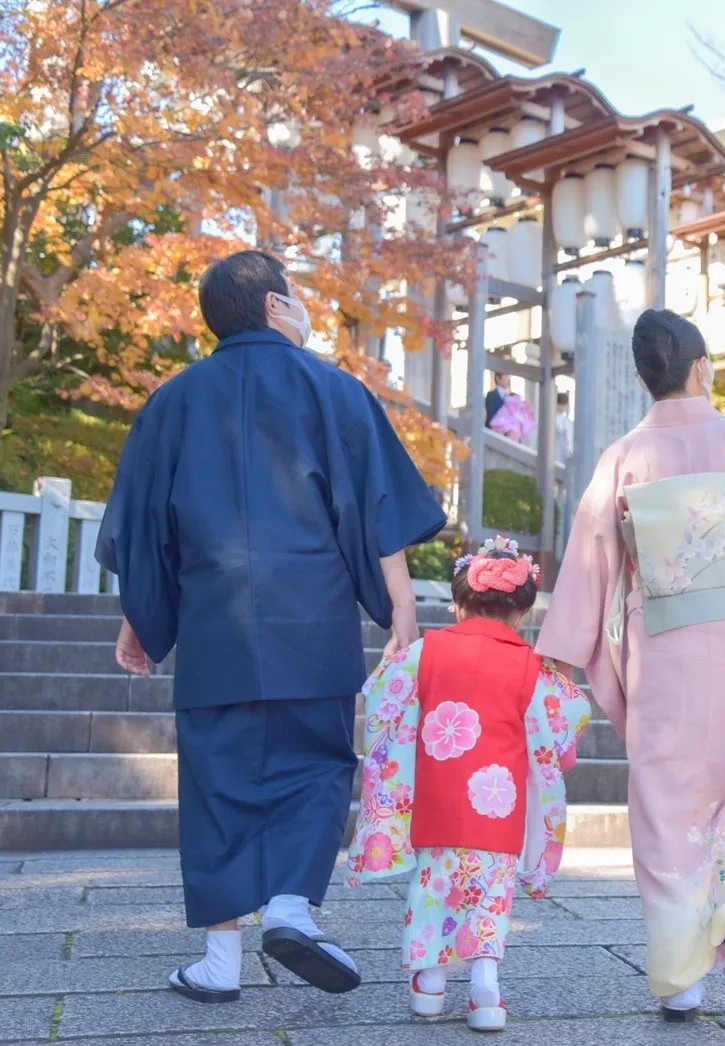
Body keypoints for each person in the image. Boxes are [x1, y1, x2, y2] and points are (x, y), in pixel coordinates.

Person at [97, 250, 447, 1005]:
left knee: (216, 779)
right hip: (310, 613)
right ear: (275, 307)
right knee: (317, 761)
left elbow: (144, 524)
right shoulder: (334, 391)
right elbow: (375, 505)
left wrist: (143, 620)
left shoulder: (174, 400)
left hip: (215, 615)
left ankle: (219, 963)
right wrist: (403, 609)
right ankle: (291, 907)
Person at [535, 309, 725, 1020]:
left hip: (667, 646)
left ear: (647, 378)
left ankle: (681, 976)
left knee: (665, 804)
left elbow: (590, 561)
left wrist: (559, 652)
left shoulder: (623, 458)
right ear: (701, 368)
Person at [345, 535, 591, 1032]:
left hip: (437, 800)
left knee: (434, 888)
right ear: (521, 614)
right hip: (497, 808)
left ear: (459, 606)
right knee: (489, 895)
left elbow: (379, 698)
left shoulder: (425, 651)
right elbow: (566, 717)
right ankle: (484, 988)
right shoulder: (531, 666)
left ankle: (430, 985)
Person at [554, 391, 573, 467]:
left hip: (565, 451)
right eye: (560, 404)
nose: (562, 407)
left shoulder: (568, 421)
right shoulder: (551, 418)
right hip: (554, 450)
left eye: (564, 405)